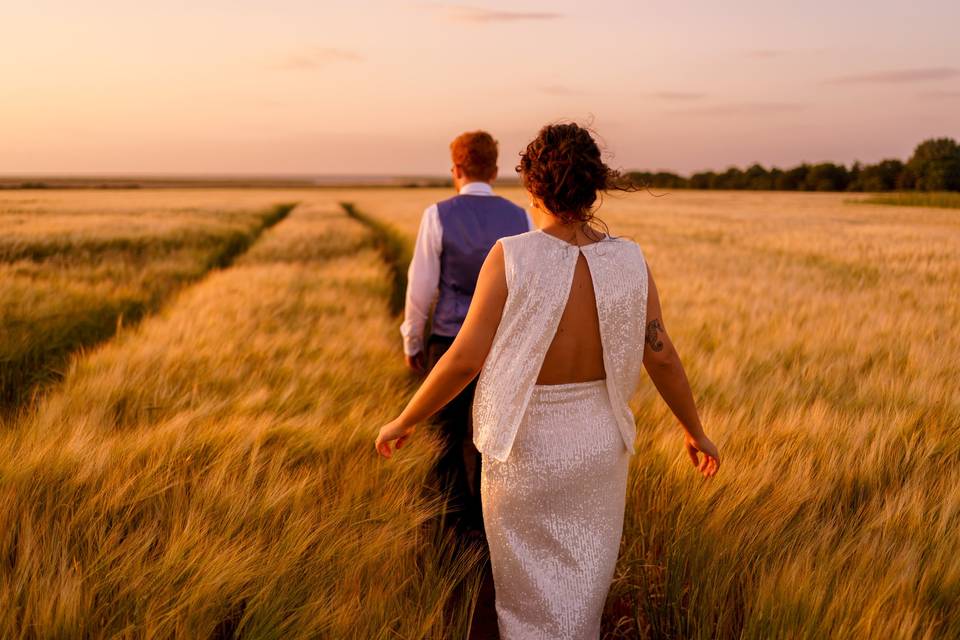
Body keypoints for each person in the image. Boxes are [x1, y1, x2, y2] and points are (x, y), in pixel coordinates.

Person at [377, 123, 719, 639]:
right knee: (581, 598)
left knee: (525, 604)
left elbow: (466, 358)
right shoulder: (629, 258)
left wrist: (406, 418)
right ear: (593, 187)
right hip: (599, 448)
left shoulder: (511, 256)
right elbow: (662, 355)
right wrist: (695, 430)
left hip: (523, 450)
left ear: (531, 186)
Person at [400, 130, 533, 538]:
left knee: (445, 437)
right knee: (490, 440)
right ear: (494, 170)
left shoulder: (437, 215)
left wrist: (413, 340)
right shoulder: (520, 216)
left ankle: (452, 527)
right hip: (501, 345)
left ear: (455, 169)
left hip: (449, 342)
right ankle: (488, 526)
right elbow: (526, 285)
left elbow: (420, 288)